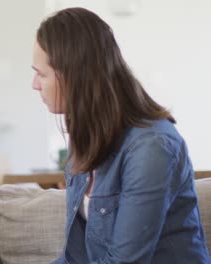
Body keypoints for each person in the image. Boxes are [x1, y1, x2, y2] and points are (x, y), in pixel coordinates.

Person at [31, 7, 210, 263]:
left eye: (41, 74)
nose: (34, 84)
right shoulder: (87, 139)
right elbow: (75, 258)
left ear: (73, 75)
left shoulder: (151, 146)